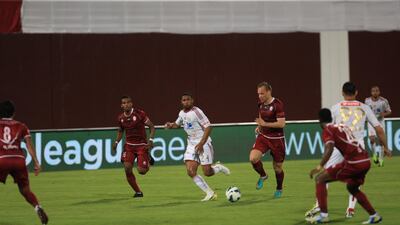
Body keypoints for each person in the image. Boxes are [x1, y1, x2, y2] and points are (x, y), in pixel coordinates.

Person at [305, 82, 390, 218]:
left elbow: (329, 127)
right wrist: (386, 147)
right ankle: (350, 209)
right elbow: (379, 129)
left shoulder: (335, 108)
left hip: (339, 146)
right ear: (356, 92)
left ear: (342, 93)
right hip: (358, 148)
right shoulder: (365, 107)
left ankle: (319, 207)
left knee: (324, 175)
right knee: (355, 180)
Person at [165, 93, 230, 201]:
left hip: (203, 143)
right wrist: (171, 125)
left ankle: (218, 167)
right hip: (191, 145)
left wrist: (201, 143)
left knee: (207, 172)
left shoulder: (197, 112)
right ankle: (210, 193)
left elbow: (208, 127)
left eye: (188, 99)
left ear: (192, 100)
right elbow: (178, 124)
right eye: (184, 100)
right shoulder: (181, 113)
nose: (186, 102)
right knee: (190, 171)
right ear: (181, 102)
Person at [0, 100, 48, 225]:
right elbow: (29, 145)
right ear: (14, 113)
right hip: (18, 160)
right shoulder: (22, 126)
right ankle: (37, 207)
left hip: (2, 160)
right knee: (25, 190)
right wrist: (37, 163)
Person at [112, 96, 155, 198]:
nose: (126, 104)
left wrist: (151, 140)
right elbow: (120, 131)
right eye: (124, 103)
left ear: (131, 104)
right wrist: (116, 142)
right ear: (121, 105)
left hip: (141, 146)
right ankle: (138, 192)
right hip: (129, 146)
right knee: (127, 169)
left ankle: (147, 158)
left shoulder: (139, 114)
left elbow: (152, 126)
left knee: (142, 171)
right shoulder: (121, 118)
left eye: (128, 102)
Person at [250, 82, 286, 198]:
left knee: (277, 167)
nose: (260, 96)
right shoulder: (260, 104)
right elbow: (261, 116)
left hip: (277, 139)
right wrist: (260, 126)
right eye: (258, 94)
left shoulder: (277, 104)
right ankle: (263, 175)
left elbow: (281, 124)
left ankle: (279, 188)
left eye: (262, 93)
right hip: (263, 137)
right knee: (253, 158)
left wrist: (265, 123)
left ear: (269, 91)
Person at [365, 86, 392, 167]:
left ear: (379, 92)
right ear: (371, 92)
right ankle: (374, 155)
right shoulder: (367, 101)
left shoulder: (383, 101)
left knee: (381, 141)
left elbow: (389, 111)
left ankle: (381, 159)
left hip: (380, 122)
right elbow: (365, 111)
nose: (375, 92)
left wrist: (383, 114)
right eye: (373, 91)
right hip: (371, 122)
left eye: (376, 91)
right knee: (372, 139)